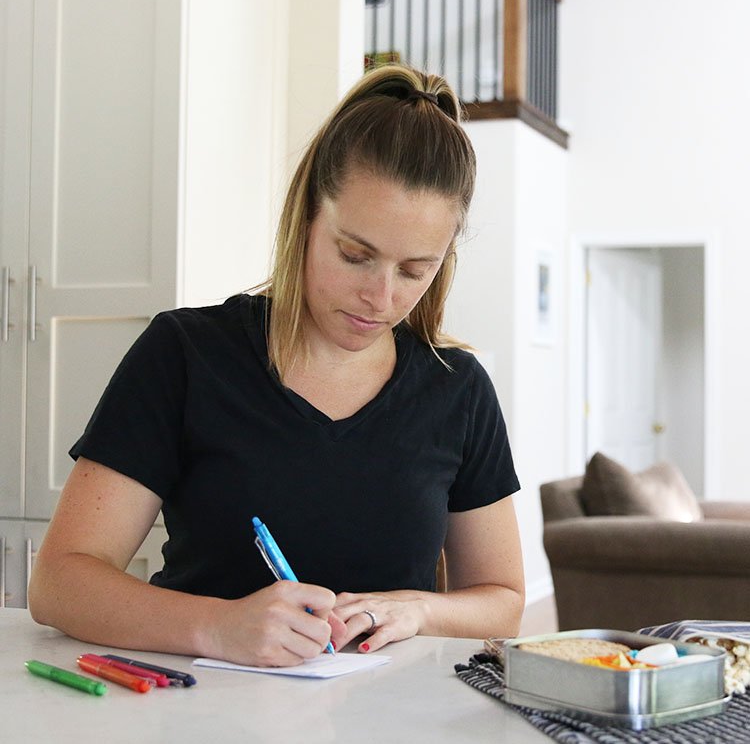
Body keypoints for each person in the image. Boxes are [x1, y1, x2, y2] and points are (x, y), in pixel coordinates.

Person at [28, 64, 524, 668]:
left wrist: (419, 609)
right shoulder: (186, 354)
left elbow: (501, 601)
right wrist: (217, 626)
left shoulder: (458, 391)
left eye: (415, 270)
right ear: (308, 214)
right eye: (355, 255)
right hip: (197, 714)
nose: (382, 296)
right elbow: (59, 583)